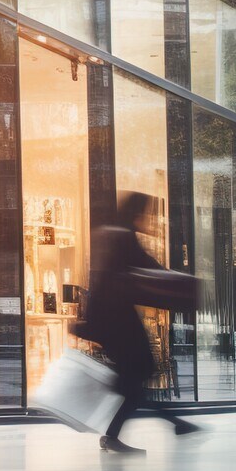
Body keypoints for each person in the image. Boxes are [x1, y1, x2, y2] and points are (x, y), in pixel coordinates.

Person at [74, 190, 199, 454]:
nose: (148, 219)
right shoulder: (123, 237)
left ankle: (171, 424)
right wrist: (180, 284)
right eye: (146, 214)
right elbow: (147, 267)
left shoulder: (114, 235)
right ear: (136, 213)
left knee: (134, 380)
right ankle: (126, 433)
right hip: (119, 324)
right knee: (136, 378)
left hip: (114, 323)